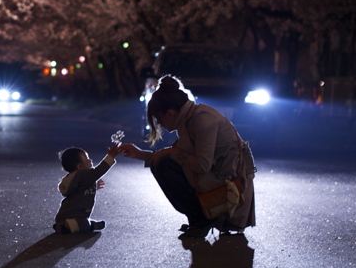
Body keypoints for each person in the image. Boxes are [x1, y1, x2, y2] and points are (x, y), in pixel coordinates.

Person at [119, 75, 256, 238]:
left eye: (159, 119)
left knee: (163, 165)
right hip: (220, 181)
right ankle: (200, 217)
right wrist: (140, 154)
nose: (160, 124)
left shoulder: (202, 120)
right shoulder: (190, 119)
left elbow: (202, 165)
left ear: (170, 113)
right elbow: (179, 154)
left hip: (232, 190)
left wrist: (170, 153)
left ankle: (202, 219)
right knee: (161, 162)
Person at [53, 141, 122, 234]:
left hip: (68, 213)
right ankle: (66, 227)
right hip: (72, 214)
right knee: (84, 223)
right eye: (87, 158)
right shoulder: (83, 174)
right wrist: (111, 156)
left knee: (84, 221)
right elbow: (99, 171)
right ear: (80, 166)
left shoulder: (76, 178)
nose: (90, 160)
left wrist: (92, 186)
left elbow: (79, 191)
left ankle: (80, 224)